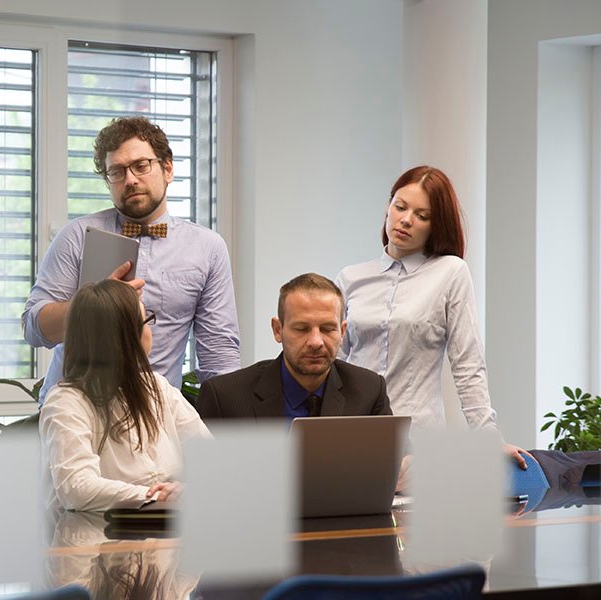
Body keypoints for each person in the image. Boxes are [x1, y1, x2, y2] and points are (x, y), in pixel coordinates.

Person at [22, 116, 240, 403]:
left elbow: (219, 355)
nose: (130, 180)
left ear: (168, 169)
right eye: (116, 172)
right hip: (74, 410)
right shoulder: (76, 236)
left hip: (155, 417)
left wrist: (233, 431)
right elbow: (34, 329)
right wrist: (92, 303)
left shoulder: (208, 247)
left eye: (141, 166)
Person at [335, 165, 529, 469]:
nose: (406, 219)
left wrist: (488, 438)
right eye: (400, 207)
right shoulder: (350, 278)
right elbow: (334, 364)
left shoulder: (450, 272)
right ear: (388, 207)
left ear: (435, 226)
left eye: (422, 216)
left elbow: (467, 363)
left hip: (418, 443)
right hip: (354, 437)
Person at [39, 279, 211, 512]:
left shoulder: (157, 387)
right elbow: (77, 488)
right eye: (146, 322)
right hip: (93, 539)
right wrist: (156, 496)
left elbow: (211, 459)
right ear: (124, 337)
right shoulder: (66, 402)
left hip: (164, 533)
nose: (152, 331)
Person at [196, 273, 391, 421]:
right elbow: (201, 471)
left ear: (342, 332)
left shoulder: (369, 391)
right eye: (302, 329)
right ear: (277, 330)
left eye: (327, 329)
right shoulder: (224, 397)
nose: (316, 341)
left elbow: (393, 458)